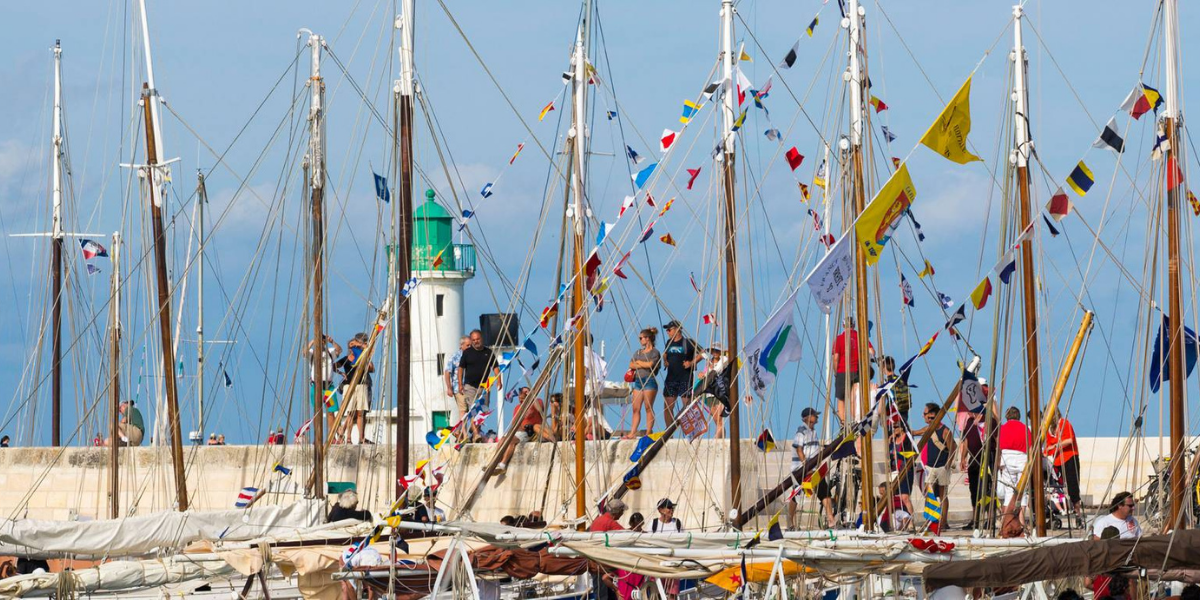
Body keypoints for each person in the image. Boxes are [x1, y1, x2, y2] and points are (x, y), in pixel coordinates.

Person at [788, 408, 835, 528]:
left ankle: (831, 519)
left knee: (824, 492)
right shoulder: (801, 432)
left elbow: (814, 451)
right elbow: (799, 450)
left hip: (813, 469)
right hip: (801, 469)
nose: (817, 418)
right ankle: (790, 520)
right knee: (796, 494)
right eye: (815, 416)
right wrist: (806, 466)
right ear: (807, 418)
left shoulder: (813, 431)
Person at [914, 402, 956, 527]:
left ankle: (943, 522)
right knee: (929, 494)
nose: (925, 417)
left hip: (942, 466)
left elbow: (953, 447)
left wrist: (948, 464)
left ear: (933, 415)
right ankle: (930, 519)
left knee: (943, 496)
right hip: (930, 466)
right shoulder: (929, 429)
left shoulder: (945, 430)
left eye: (926, 414)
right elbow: (916, 432)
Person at [496, 387, 554, 473]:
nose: (521, 396)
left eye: (524, 394)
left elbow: (539, 409)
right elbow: (514, 424)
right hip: (517, 432)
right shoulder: (517, 408)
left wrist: (532, 395)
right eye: (520, 394)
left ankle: (503, 464)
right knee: (502, 440)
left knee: (510, 441)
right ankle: (496, 461)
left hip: (528, 432)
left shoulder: (537, 402)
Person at [456, 329, 500, 441]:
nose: (476, 341)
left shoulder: (489, 352)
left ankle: (476, 431)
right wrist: (460, 384)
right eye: (474, 340)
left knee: (483, 411)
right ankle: (476, 434)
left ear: (482, 338)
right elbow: (461, 368)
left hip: (484, 387)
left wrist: (499, 380)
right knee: (473, 409)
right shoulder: (467, 353)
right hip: (470, 386)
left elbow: (495, 367)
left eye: (478, 339)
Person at [959, 410, 997, 530]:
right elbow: (966, 441)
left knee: (988, 490)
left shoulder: (990, 420)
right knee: (974, 490)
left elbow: (997, 439)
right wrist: (963, 458)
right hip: (974, 460)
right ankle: (975, 519)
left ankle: (990, 519)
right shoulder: (969, 422)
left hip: (988, 458)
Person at [831, 317, 874, 424]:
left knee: (841, 398)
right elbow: (872, 351)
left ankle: (843, 423)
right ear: (853, 325)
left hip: (842, 370)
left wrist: (835, 372)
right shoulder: (861, 337)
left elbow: (835, 358)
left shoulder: (839, 339)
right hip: (857, 371)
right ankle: (857, 420)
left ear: (843, 326)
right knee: (854, 396)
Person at [1046, 409, 1084, 528]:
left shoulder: (1064, 423)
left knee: (1073, 487)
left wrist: (1056, 445)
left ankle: (1078, 514)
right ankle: (1054, 510)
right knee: (1054, 487)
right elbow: (1047, 447)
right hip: (1056, 461)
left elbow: (1069, 440)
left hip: (1069, 458)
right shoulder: (1048, 429)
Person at [335, 332, 375, 444]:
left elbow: (371, 369)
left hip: (361, 385)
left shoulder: (362, 357)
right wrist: (341, 373)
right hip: (349, 385)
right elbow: (334, 366)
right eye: (351, 346)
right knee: (350, 413)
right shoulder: (346, 359)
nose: (353, 348)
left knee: (360, 413)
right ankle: (348, 437)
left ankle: (361, 438)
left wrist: (364, 353)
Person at [660, 320, 700, 426]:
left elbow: (703, 353)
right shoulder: (669, 342)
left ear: (677, 330)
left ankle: (693, 434)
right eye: (667, 330)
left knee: (688, 408)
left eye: (669, 329)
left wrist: (691, 362)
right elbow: (665, 353)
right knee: (668, 408)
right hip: (671, 379)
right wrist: (665, 360)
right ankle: (669, 435)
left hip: (685, 378)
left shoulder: (688, 342)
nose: (667, 332)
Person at [997, 406, 1031, 527]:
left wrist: (998, 464)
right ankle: (1021, 521)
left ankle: (1006, 523)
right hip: (1022, 458)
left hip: (1007, 459)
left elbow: (999, 448)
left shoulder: (1003, 428)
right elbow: (1030, 447)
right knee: (1023, 491)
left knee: (1008, 492)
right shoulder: (1025, 428)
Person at [626, 327, 661, 439]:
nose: (640, 340)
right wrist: (642, 364)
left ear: (647, 338)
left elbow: (650, 364)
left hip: (649, 381)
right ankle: (632, 433)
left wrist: (639, 362)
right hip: (638, 381)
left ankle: (648, 432)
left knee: (648, 407)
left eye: (641, 338)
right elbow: (631, 365)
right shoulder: (638, 352)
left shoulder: (655, 352)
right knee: (636, 408)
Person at [304, 335, 342, 437]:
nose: (321, 343)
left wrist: (332, 341)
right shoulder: (312, 352)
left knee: (331, 412)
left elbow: (339, 350)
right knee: (317, 413)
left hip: (328, 387)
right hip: (316, 387)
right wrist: (313, 341)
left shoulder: (330, 351)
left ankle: (332, 436)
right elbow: (304, 352)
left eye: (322, 341)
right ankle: (318, 437)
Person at [589, 499, 626, 600]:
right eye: (622, 511)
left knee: (601, 595)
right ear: (617, 512)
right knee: (605, 596)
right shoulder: (610, 523)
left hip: (595, 564)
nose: (622, 514)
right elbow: (628, 536)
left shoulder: (597, 520)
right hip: (603, 566)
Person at [696, 347, 733, 438]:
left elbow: (718, 370)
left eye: (717, 350)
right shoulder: (708, 363)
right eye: (713, 350)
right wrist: (701, 375)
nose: (715, 352)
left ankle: (716, 440)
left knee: (720, 421)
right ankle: (722, 440)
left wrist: (725, 351)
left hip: (720, 393)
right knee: (717, 421)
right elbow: (706, 377)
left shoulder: (724, 360)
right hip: (709, 394)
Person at [888, 425, 916, 524]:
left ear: (902, 427)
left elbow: (913, 454)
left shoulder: (908, 439)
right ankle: (902, 522)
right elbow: (890, 455)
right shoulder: (892, 440)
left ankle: (911, 522)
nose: (894, 429)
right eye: (893, 427)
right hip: (895, 471)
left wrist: (899, 455)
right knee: (897, 498)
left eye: (896, 426)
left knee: (905, 497)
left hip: (906, 470)